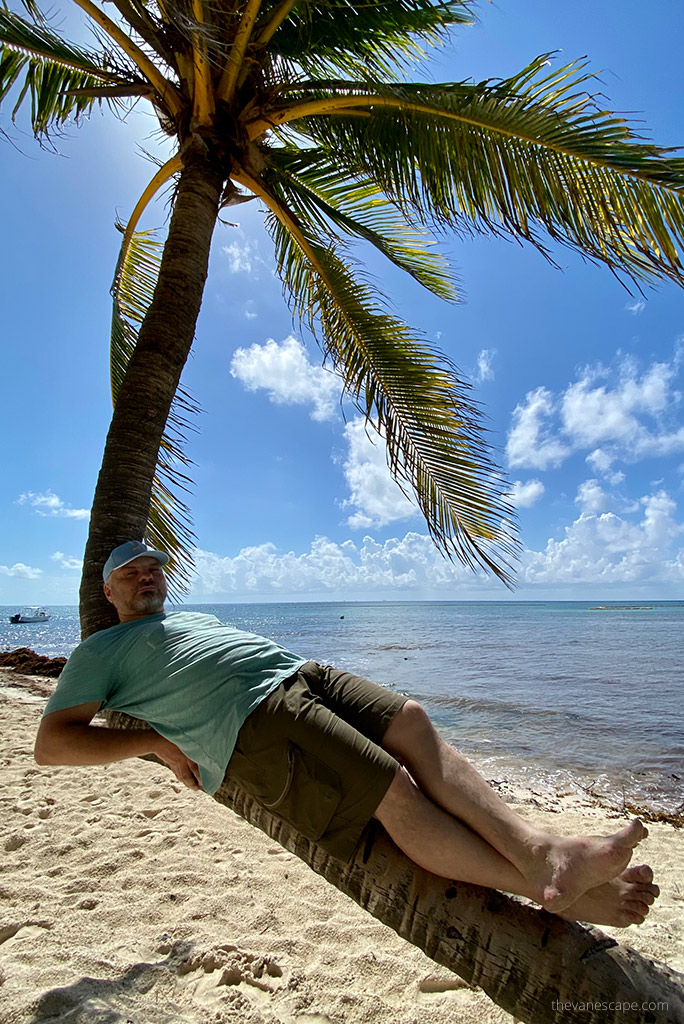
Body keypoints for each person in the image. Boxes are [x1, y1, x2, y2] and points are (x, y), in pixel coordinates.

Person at [35, 541, 659, 929]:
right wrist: (151, 743)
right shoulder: (101, 649)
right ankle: (557, 890)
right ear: (107, 588)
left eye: (155, 567)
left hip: (300, 674)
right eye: (132, 571)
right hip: (255, 719)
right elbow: (52, 743)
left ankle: (542, 849)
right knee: (393, 792)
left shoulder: (189, 617)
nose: (147, 576)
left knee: (413, 720)